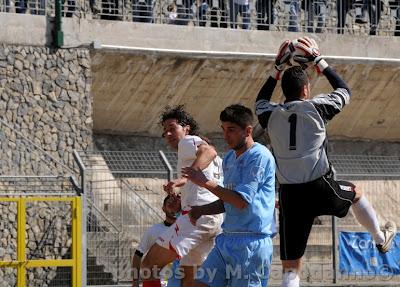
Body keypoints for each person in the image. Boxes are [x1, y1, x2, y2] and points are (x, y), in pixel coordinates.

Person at [254, 37, 397, 287]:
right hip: (320, 186)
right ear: (306, 90)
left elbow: (260, 101)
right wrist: (320, 61)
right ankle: (379, 236)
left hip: (289, 194)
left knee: (291, 268)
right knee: (356, 193)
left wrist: (276, 69)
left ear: (284, 91)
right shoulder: (316, 107)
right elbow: (344, 91)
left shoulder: (270, 115)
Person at [182, 104, 277, 287]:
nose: (226, 136)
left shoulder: (259, 156)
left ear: (248, 130)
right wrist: (200, 210)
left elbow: (241, 201)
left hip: (251, 242)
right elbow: (228, 199)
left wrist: (204, 182)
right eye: (224, 130)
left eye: (231, 130)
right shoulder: (229, 158)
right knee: (198, 284)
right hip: (226, 240)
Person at [141, 105, 223, 287]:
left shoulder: (188, 142)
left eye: (172, 128)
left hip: (196, 217)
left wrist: (183, 178)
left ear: (186, 128)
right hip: (213, 216)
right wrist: (184, 184)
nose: (168, 134)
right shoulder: (205, 153)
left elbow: (209, 152)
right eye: (165, 131)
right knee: (191, 280)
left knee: (148, 266)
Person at [132, 195, 182, 287]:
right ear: (163, 208)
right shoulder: (154, 230)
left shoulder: (185, 231)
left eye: (176, 205)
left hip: (178, 279)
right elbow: (137, 255)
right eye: (169, 204)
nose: (173, 208)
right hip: (155, 281)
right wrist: (135, 281)